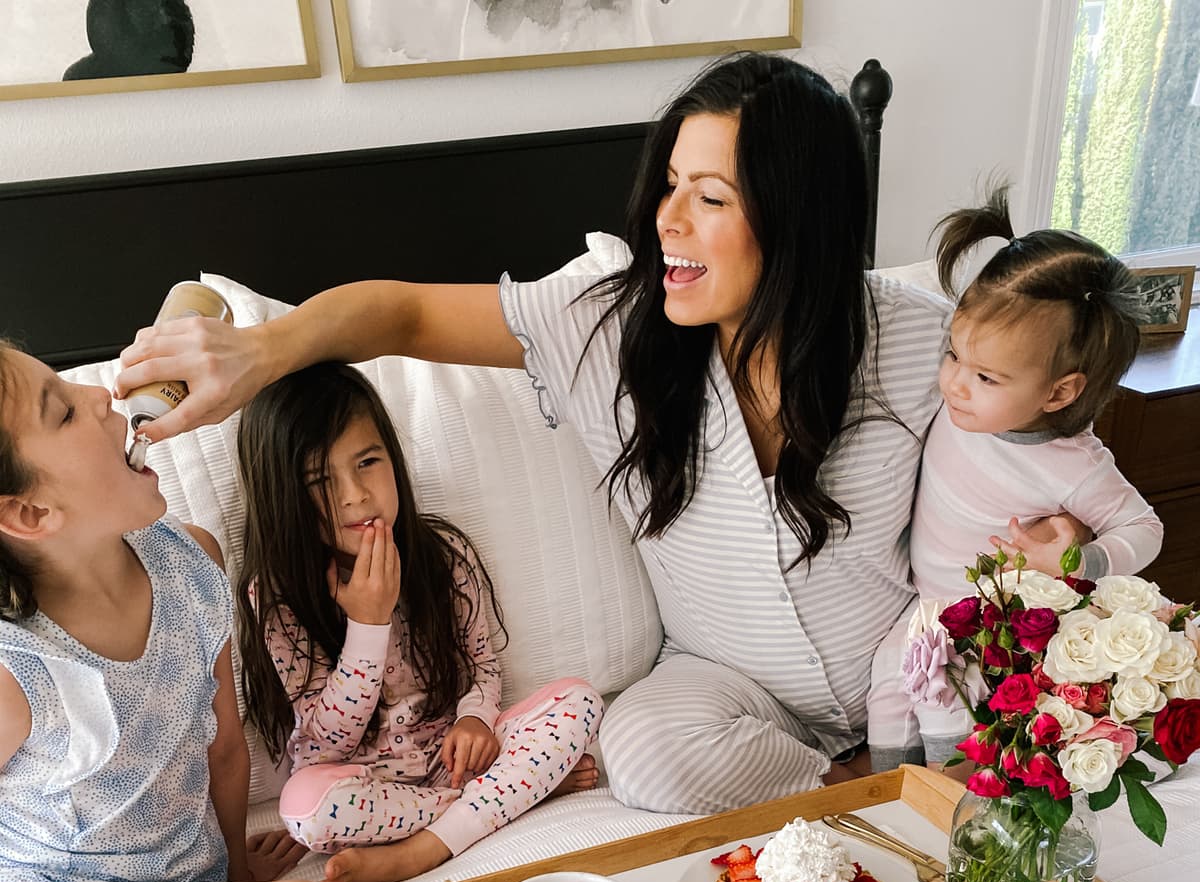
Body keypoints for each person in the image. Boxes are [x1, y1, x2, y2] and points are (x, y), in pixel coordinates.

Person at [118, 52, 1006, 816]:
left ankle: (908, 773)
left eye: (708, 198)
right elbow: (402, 314)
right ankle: (850, 786)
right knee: (644, 752)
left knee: (1015, 718)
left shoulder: (923, 342)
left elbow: (1028, 464)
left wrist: (1059, 542)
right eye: (667, 188)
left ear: (799, 221)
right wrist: (260, 352)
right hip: (730, 692)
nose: (667, 221)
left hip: (909, 663)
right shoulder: (609, 330)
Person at [0, 343, 341, 882]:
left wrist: (230, 873)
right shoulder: (15, 665)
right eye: (61, 407)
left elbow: (223, 744)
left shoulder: (192, 565)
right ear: (29, 514)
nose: (99, 396)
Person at [236, 362, 603, 882]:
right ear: (282, 496)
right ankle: (508, 798)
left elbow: (481, 663)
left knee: (580, 700)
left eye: (367, 462)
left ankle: (422, 850)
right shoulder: (277, 597)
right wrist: (368, 623)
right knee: (304, 810)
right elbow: (328, 739)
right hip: (364, 787)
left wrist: (476, 718)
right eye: (320, 482)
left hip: (458, 761)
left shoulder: (442, 557)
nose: (355, 495)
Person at [866, 187, 1162, 770]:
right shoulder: (955, 405)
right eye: (953, 355)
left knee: (946, 709)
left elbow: (1144, 528)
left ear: (1058, 392)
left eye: (985, 376)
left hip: (986, 624)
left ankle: (949, 796)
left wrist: (1078, 561)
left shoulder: (1075, 465)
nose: (954, 383)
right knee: (886, 691)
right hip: (925, 602)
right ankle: (884, 792)